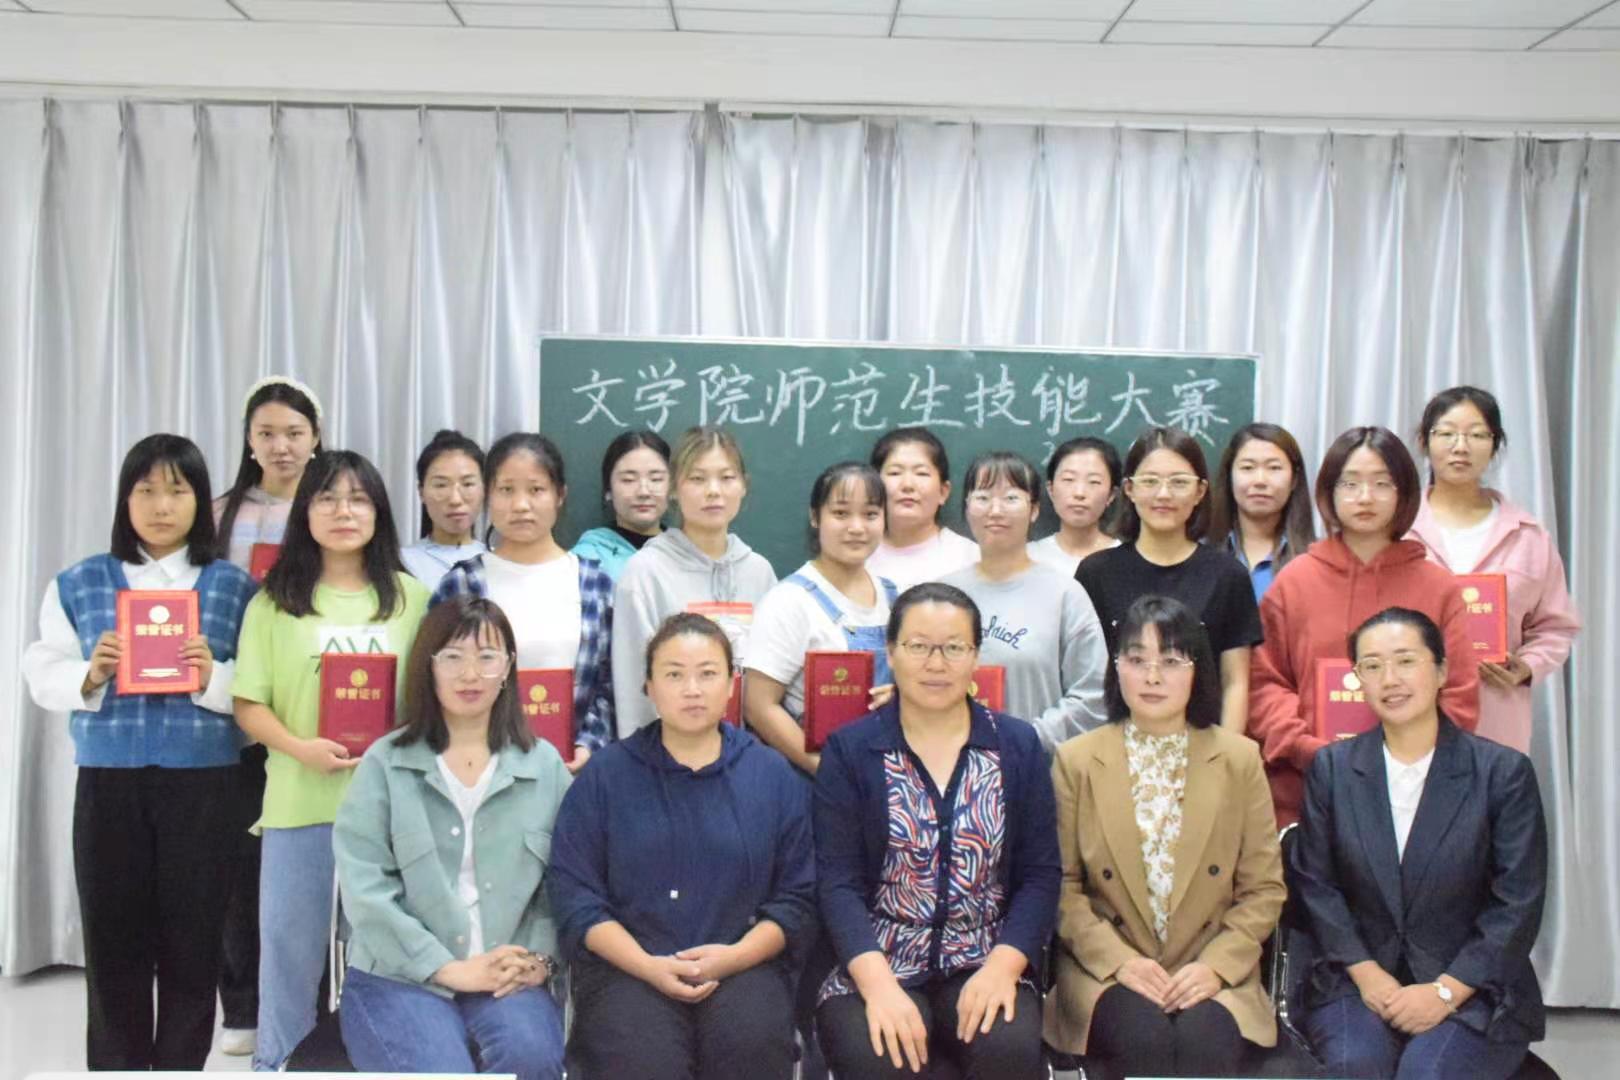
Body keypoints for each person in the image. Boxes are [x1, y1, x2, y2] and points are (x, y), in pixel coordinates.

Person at [22, 434, 258, 1071]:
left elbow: (263, 687)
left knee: (194, 944)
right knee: (112, 944)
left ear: (200, 502)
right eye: (146, 490)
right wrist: (90, 672)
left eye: (177, 491)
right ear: (124, 500)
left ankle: (178, 1069)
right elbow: (41, 669)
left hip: (205, 786)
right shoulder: (79, 582)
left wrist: (212, 677)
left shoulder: (234, 588)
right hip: (110, 783)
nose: (161, 505)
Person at [548, 614, 816, 1080]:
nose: (692, 689)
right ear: (649, 688)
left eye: (707, 674)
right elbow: (575, 895)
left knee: (750, 1043)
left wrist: (733, 958)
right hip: (629, 969)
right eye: (674, 675)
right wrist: (647, 966)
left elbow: (797, 897)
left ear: (731, 684)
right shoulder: (606, 776)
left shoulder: (771, 775)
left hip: (743, 965)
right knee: (640, 1059)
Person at [230, 450, 431, 1071]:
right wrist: (301, 749)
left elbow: (433, 703)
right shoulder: (274, 602)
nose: (344, 512)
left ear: (380, 512)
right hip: (299, 803)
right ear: (305, 512)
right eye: (327, 499)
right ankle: (278, 1065)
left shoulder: (412, 599)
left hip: (391, 808)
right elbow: (248, 704)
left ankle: (381, 1062)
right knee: (288, 952)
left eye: (358, 499)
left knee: (385, 953)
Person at [814, 583, 1059, 1080]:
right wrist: (879, 986)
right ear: (890, 652)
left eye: (953, 647)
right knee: (884, 1057)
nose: (936, 663)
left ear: (975, 656)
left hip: (985, 955)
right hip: (878, 957)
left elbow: (1040, 875)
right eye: (919, 646)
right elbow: (837, 882)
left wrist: (1003, 968)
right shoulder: (851, 750)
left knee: (1007, 1050)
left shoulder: (1015, 746)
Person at [1293, 607, 1547, 1079]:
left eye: (1406, 661)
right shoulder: (1333, 769)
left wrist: (1447, 991)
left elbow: (1517, 902)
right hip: (1356, 978)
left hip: (1475, 985)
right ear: (1358, 680)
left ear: (1442, 671)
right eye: (1372, 665)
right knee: (1354, 1065)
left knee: (1428, 1073)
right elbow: (1316, 885)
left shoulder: (1501, 773)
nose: (1390, 679)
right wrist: (1367, 973)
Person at [1044, 596, 1284, 1079]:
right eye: (1137, 660)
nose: (1152, 677)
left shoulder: (1239, 759)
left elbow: (1263, 889)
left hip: (1210, 964)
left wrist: (1215, 966)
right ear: (1116, 668)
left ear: (1198, 672)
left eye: (1171, 661)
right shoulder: (1077, 760)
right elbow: (1063, 888)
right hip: (1107, 968)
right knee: (1143, 1036)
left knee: (1203, 1041)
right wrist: (1119, 962)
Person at [334, 597, 570, 1080]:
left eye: (487, 657)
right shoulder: (384, 763)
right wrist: (448, 969)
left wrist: (541, 960)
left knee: (530, 1059)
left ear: (508, 668)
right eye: (453, 657)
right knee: (440, 1070)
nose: (470, 674)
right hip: (398, 975)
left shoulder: (544, 765)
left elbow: (567, 883)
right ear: (429, 666)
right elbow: (365, 891)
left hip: (508, 972)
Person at [1249, 426, 1479, 826]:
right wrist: (1308, 749)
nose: (1365, 497)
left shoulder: (1438, 586)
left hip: (1416, 796)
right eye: (1350, 483)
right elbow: (1264, 683)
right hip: (1306, 790)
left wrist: (1406, 758)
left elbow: (1458, 691)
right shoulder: (1294, 581)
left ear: (1404, 493)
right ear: (1329, 492)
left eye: (1382, 483)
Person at [211, 373, 324, 1056]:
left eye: (294, 433)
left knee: (311, 867)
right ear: (249, 441)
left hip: (316, 713)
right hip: (238, 711)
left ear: (316, 438)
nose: (281, 446)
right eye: (267, 434)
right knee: (241, 863)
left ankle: (316, 1002)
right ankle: (242, 1005)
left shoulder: (334, 501)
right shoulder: (221, 512)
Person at [1407, 386, 1580, 753]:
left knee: (1494, 790)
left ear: (1495, 444)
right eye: (1447, 433)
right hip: (1408, 713)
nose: (1461, 446)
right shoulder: (1399, 529)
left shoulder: (1528, 536)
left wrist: (1528, 666)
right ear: (1424, 441)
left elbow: (1556, 626)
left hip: (1497, 716)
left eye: (1477, 435)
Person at [433, 433, 613, 771]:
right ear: (488, 495)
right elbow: (435, 678)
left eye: (536, 489)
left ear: (560, 495)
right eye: (506, 490)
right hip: (480, 770)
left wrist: (589, 744)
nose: (520, 505)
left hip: (571, 771)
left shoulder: (595, 584)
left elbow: (609, 682)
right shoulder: (462, 583)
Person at [1076, 426, 1262, 733]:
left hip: (1203, 745)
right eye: (1150, 481)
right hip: (1114, 744)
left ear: (1200, 491)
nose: (1163, 494)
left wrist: (1226, 755)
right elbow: (1084, 679)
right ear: (1129, 489)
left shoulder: (1228, 575)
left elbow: (1235, 682)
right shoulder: (1095, 573)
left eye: (1179, 482)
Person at [612, 426, 778, 736]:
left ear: (743, 485)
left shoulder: (760, 572)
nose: (713, 491)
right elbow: (633, 686)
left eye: (726, 478)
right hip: (666, 752)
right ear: (674, 488)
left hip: (745, 752)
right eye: (698, 479)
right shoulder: (645, 572)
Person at [941, 450, 1108, 751]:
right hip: (949, 766)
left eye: (1011, 498)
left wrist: (1025, 739)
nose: (995, 510)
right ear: (966, 507)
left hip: (1036, 765)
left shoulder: (1065, 595)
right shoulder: (941, 594)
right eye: (983, 497)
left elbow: (1093, 695)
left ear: (1034, 510)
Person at [746, 461, 897, 775]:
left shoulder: (895, 598)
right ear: (815, 517)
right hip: (813, 781)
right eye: (840, 513)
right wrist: (826, 771)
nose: (857, 527)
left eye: (870, 514)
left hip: (887, 777)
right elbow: (758, 706)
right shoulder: (789, 601)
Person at [1209, 422, 1316, 602]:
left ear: (1294, 479)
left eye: (1274, 468)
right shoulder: (1202, 554)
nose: (1260, 481)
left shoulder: (1315, 560)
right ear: (1229, 476)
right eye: (1247, 468)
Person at [865, 427, 979, 591]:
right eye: (895, 473)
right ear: (873, 487)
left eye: (921, 473)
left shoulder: (969, 559)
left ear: (943, 492)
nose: (907, 485)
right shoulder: (856, 554)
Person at [572, 429, 672, 582]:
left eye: (656, 479)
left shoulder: (686, 553)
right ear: (608, 490)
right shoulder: (589, 558)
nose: (643, 492)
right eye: (628, 480)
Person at [401, 429, 487, 592]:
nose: (455, 499)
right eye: (441, 485)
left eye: (468, 484)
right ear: (421, 492)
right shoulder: (402, 563)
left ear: (484, 489)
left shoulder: (501, 562)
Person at [1030, 436, 1122, 578]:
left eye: (1094, 482)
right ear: (1051, 489)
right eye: (1068, 479)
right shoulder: (1029, 558)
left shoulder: (1126, 561)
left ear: (1111, 494)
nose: (1079, 493)